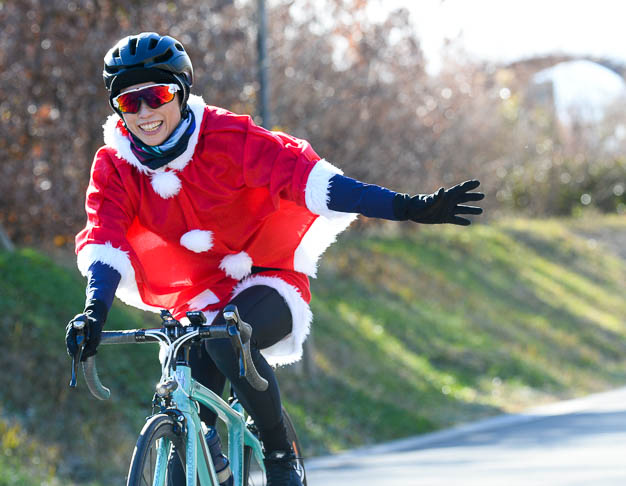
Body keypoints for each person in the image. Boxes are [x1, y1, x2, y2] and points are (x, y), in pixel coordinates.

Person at [65, 32, 484, 486]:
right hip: (198, 298)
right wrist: (93, 312)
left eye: (157, 95)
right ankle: (216, 465)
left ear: (182, 94)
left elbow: (317, 183)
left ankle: (281, 454)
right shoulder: (114, 166)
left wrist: (407, 207)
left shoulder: (228, 137)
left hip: (266, 278)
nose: (146, 113)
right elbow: (105, 242)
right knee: (189, 424)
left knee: (229, 338)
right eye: (131, 103)